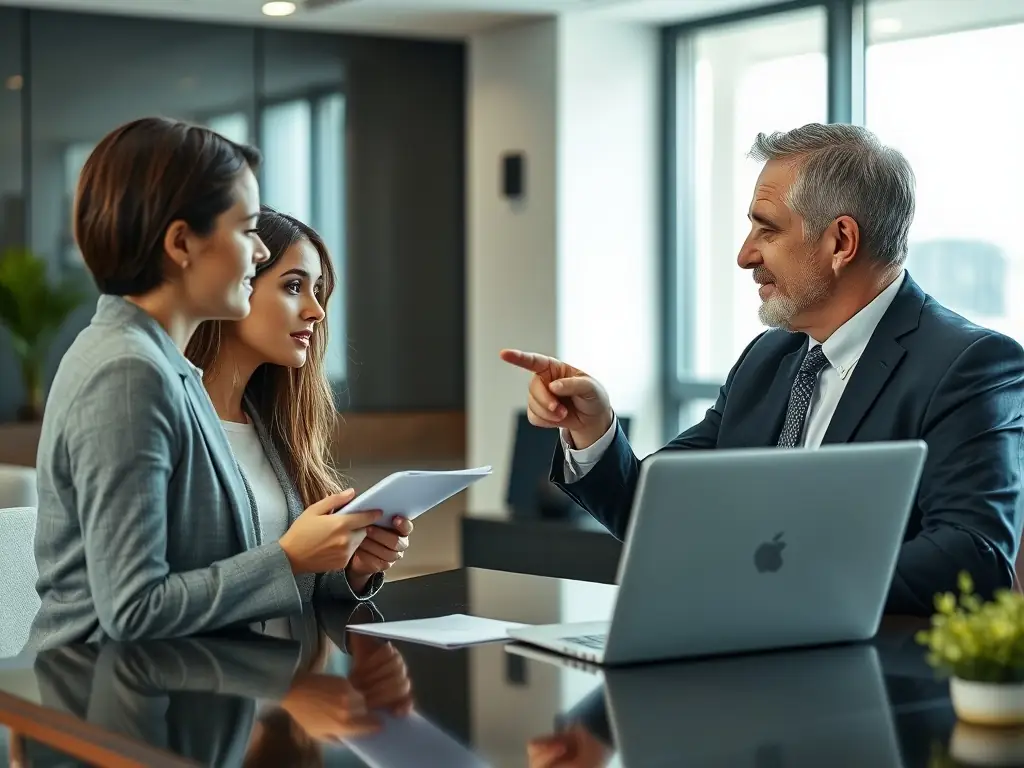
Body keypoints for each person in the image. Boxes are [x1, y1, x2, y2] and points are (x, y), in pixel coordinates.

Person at [502, 122, 1024, 616]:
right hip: (741, 659)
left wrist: (780, 580)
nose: (745, 255)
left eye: (766, 230)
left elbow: (973, 560)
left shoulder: (971, 365)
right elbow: (662, 510)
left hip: (880, 684)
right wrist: (593, 429)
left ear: (841, 241)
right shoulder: (766, 359)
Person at [29, 117, 381, 651]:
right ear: (181, 243)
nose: (259, 251)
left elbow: (220, 569)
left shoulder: (161, 366)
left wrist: (329, 563)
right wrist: (289, 557)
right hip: (108, 710)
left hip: (183, 689)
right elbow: (134, 610)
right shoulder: (127, 373)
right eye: (245, 232)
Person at [186, 205, 414, 602]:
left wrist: (354, 570)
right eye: (294, 286)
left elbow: (294, 593)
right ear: (237, 284)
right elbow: (159, 602)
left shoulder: (273, 427)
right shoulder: (173, 424)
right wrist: (288, 558)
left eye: (318, 290)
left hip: (289, 664)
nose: (317, 310)